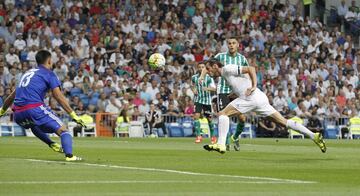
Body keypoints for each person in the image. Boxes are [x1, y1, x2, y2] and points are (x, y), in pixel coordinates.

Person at [202, 59, 326, 154]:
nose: (207, 72)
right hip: (260, 98)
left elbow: (251, 68)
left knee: (222, 114)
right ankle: (313, 135)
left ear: (215, 66)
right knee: (284, 122)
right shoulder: (225, 75)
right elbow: (242, 85)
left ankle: (221, 144)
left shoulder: (228, 69)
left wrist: (254, 85)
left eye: (208, 69)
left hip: (250, 98)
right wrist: (233, 95)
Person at [0, 50, 86, 161]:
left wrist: (2, 111)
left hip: (18, 115)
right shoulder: (49, 73)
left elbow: (12, 96)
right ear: (49, 61)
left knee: (33, 125)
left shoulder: (27, 73)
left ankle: (51, 143)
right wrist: (74, 115)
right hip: (34, 109)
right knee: (64, 131)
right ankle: (69, 156)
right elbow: (58, 97)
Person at [202, 37, 246, 151]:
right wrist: (202, 77)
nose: (231, 45)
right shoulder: (220, 56)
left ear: (238, 45)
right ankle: (224, 144)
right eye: (229, 43)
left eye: (233, 43)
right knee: (223, 115)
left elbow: (247, 73)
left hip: (236, 91)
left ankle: (235, 137)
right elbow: (208, 65)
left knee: (242, 119)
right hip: (223, 91)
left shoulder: (242, 59)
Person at [191, 61, 216, 143]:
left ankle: (213, 136)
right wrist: (194, 90)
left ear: (205, 68)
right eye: (199, 67)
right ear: (197, 68)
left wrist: (206, 88)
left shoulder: (209, 78)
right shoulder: (194, 77)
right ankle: (198, 136)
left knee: (209, 119)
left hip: (207, 101)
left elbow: (214, 88)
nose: (201, 68)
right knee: (196, 116)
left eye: (203, 67)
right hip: (198, 100)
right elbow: (193, 85)